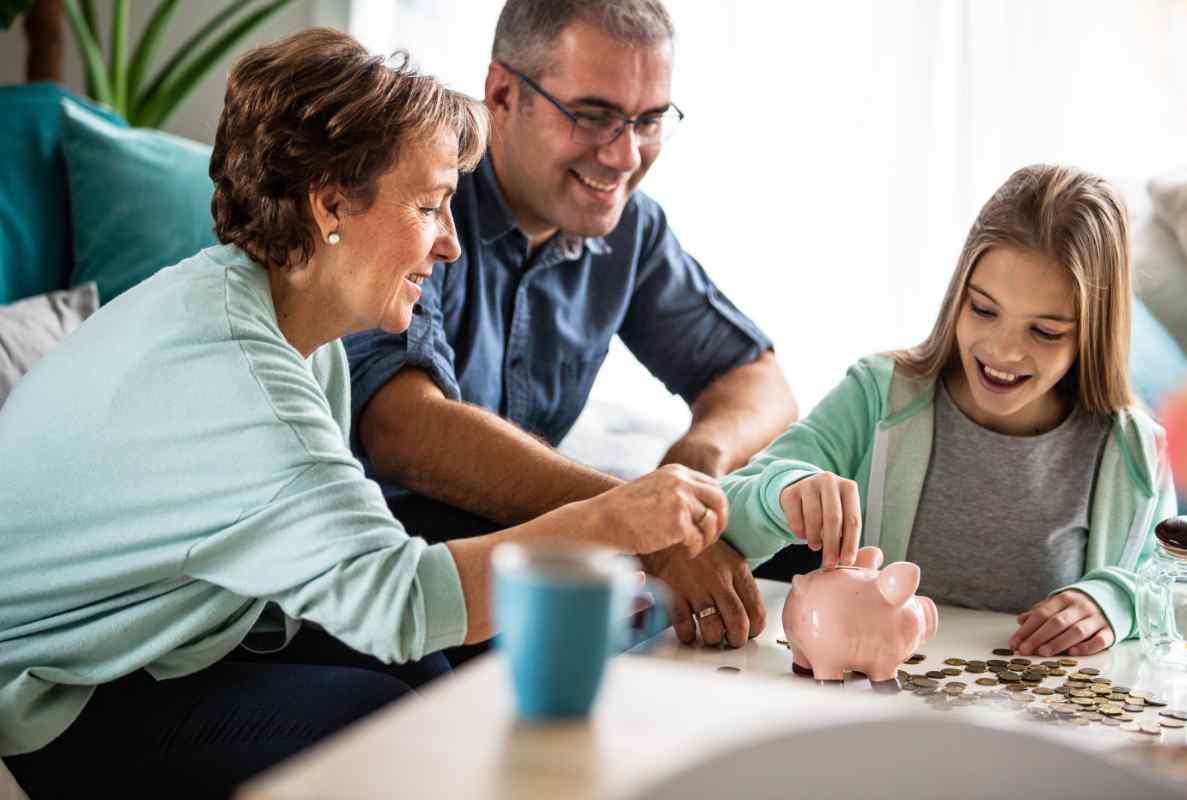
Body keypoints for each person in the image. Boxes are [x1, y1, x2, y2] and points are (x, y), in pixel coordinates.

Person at [0, 29, 726, 797]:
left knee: (433, 675)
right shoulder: (242, 375)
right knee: (397, 724)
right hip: (52, 697)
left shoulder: (279, 322)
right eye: (428, 207)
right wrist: (614, 519)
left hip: (169, 639)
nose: (448, 246)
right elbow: (401, 602)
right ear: (331, 204)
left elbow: (357, 573)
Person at [345, 0, 801, 655]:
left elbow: (758, 381)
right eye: (592, 115)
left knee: (791, 545)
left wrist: (690, 470)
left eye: (648, 121)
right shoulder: (423, 194)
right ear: (502, 94)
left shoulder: (631, 229)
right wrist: (634, 520)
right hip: (396, 543)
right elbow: (402, 427)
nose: (624, 155)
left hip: (536, 537)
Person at [720, 164, 1177, 658]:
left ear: (1093, 331)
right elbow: (725, 514)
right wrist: (783, 490)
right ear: (959, 294)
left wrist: (1116, 600)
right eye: (983, 309)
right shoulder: (877, 395)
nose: (1002, 351)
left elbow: (1173, 591)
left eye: (1044, 332)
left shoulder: (1135, 450)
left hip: (1038, 722)